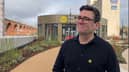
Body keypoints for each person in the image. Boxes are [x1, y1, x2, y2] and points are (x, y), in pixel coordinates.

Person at [53, 5, 120, 72]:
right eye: (79, 18)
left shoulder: (106, 49)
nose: (81, 21)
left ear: (96, 25)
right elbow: (57, 69)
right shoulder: (66, 45)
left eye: (86, 19)